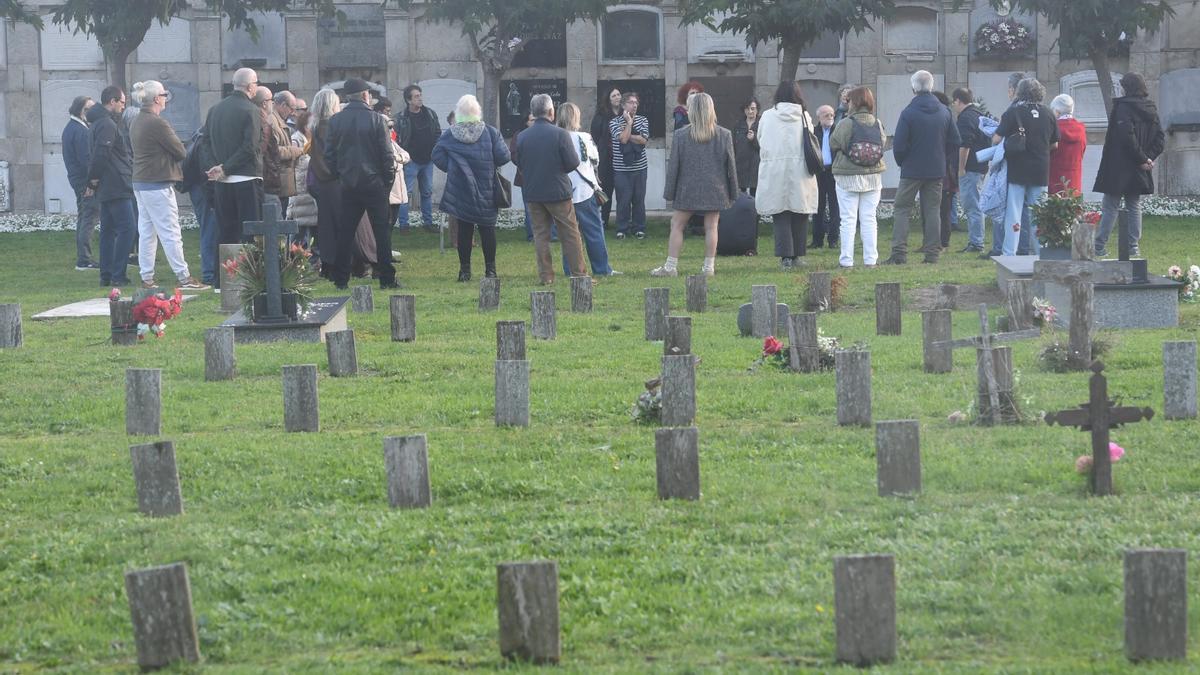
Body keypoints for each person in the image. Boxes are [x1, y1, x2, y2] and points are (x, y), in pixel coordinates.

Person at [128, 80, 208, 290]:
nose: (165, 98)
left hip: (141, 182)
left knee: (147, 233)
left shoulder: (137, 120)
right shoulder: (157, 122)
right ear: (156, 99)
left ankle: (147, 279)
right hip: (157, 183)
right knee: (170, 231)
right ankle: (184, 277)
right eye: (164, 95)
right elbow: (180, 152)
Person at [652, 93, 737, 277]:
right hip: (716, 188)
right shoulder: (724, 134)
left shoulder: (681, 135)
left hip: (687, 188)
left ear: (692, 111)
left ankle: (670, 266)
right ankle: (708, 268)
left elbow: (674, 166)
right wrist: (733, 192)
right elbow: (731, 166)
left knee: (677, 224)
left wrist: (669, 193)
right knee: (711, 227)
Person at [327, 78, 398, 290]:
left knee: (346, 231)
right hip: (374, 181)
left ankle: (341, 278)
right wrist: (387, 181)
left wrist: (340, 176)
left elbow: (329, 156)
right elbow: (387, 155)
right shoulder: (377, 120)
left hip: (349, 183)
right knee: (382, 232)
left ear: (347, 97)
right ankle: (386, 277)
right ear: (366, 95)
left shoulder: (336, 121)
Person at [431, 95, 510, 281]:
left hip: (460, 187)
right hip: (486, 187)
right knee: (487, 230)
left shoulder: (450, 134)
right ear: (477, 112)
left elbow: (436, 155)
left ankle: (464, 271)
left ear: (458, 113)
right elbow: (504, 157)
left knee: (465, 230)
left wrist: (452, 167)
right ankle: (490, 271)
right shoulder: (490, 132)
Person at [886, 70, 960, 265]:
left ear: (913, 88)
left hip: (911, 169)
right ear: (932, 86)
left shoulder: (908, 112)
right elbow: (955, 141)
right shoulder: (944, 112)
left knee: (902, 208)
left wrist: (904, 162)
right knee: (933, 210)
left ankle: (899, 253)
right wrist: (942, 158)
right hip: (936, 169)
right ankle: (932, 254)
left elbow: (899, 145)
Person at [515, 93, 589, 284]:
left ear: (533, 112)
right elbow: (573, 162)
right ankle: (579, 275)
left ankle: (546, 276)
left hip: (533, 193)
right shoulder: (560, 134)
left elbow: (517, 160)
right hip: (558, 192)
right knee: (570, 233)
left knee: (540, 235)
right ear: (551, 111)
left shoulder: (522, 136)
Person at [1093, 72, 1164, 258]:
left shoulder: (1123, 107)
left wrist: (1142, 159)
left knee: (1110, 206)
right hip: (1139, 167)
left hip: (1119, 165)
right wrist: (1147, 159)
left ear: (1127, 88)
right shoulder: (1151, 108)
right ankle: (1133, 246)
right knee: (1134, 205)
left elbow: (1127, 137)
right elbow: (1160, 138)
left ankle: (1099, 246)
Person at [993, 77, 1058, 257]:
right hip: (1041, 168)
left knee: (1013, 212)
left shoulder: (1013, 112)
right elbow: (1055, 145)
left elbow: (996, 139)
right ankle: (1041, 253)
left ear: (1019, 92)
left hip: (1017, 168)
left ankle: (1009, 253)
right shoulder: (1048, 113)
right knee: (1039, 214)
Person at [757, 80, 819, 269]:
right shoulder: (804, 116)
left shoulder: (767, 116)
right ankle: (798, 256)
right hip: (800, 170)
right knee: (800, 212)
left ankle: (785, 257)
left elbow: (761, 139)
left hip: (775, 169)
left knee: (780, 213)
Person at [203, 68, 263, 246]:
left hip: (222, 183)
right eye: (256, 84)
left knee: (225, 236)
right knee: (250, 236)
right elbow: (250, 147)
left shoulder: (214, 109)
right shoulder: (251, 110)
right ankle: (250, 273)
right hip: (246, 179)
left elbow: (205, 143)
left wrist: (216, 167)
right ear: (251, 86)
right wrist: (225, 168)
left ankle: (222, 273)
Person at [829, 86, 886, 268]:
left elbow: (833, 142)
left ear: (853, 102)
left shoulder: (846, 123)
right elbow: (882, 143)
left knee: (848, 219)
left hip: (847, 177)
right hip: (872, 177)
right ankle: (871, 260)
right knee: (869, 219)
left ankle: (846, 261)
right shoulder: (877, 123)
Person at [557, 102, 617, 277]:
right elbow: (595, 160)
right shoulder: (584, 137)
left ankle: (571, 270)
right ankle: (601, 269)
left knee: (569, 235)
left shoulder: (557, 137)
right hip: (585, 190)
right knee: (594, 232)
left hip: (564, 191)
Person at [85, 85, 135, 287]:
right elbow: (101, 154)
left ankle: (106, 274)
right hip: (116, 182)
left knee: (108, 230)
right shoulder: (106, 123)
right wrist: (93, 179)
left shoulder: (98, 122)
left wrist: (94, 180)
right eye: (122, 102)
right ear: (112, 101)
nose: (124, 106)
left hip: (107, 183)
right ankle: (117, 274)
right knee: (127, 229)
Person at [395, 84, 441, 231]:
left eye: (420, 95)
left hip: (428, 160)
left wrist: (435, 149)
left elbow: (437, 133)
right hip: (410, 161)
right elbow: (396, 139)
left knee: (426, 192)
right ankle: (404, 225)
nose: (420, 98)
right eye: (416, 96)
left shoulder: (430, 114)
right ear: (409, 100)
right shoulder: (401, 118)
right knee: (405, 193)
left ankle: (427, 223)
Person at [951, 87, 990, 253]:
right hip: (980, 165)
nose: (954, 106)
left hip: (970, 168)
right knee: (975, 204)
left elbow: (964, 145)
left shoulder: (965, 118)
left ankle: (976, 243)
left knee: (972, 205)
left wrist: (960, 168)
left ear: (959, 101)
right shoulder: (979, 115)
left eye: (954, 102)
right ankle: (976, 241)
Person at [63, 95, 99, 271]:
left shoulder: (73, 127)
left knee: (84, 215)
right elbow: (87, 161)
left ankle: (83, 257)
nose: (91, 112)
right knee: (88, 217)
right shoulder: (79, 130)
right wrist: (93, 182)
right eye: (88, 109)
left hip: (77, 179)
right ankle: (84, 259)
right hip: (84, 181)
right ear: (81, 110)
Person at [610, 92, 649, 239]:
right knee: (623, 200)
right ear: (623, 105)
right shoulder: (614, 122)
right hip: (621, 169)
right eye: (631, 102)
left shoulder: (643, 120)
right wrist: (630, 124)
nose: (634, 105)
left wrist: (628, 134)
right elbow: (623, 140)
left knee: (639, 199)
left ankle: (639, 228)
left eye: (636, 103)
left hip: (640, 168)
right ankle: (622, 229)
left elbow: (643, 140)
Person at [265, 90, 304, 215]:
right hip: (278, 180)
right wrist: (297, 150)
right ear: (283, 105)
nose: (293, 113)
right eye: (292, 108)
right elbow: (275, 151)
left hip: (281, 181)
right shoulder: (272, 121)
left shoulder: (278, 121)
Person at [932, 91, 960, 252]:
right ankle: (942, 239)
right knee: (944, 207)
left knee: (943, 207)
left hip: (945, 168)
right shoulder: (947, 115)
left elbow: (954, 141)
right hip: (946, 166)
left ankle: (943, 240)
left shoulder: (944, 115)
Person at [590, 87, 622, 226]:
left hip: (622, 158)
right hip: (606, 159)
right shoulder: (601, 116)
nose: (617, 97)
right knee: (606, 190)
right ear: (608, 99)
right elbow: (595, 138)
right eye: (614, 95)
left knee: (622, 191)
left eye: (618, 94)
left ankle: (622, 221)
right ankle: (604, 219)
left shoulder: (624, 114)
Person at [288, 109, 318, 253]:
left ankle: (313, 259)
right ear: (307, 127)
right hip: (300, 193)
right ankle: (296, 260)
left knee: (313, 229)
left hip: (309, 194)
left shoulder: (313, 141)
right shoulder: (296, 139)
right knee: (299, 231)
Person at [811, 104, 840, 249]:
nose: (830, 117)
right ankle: (817, 239)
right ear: (819, 117)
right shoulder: (814, 131)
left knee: (835, 206)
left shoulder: (838, 130)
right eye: (826, 115)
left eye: (832, 115)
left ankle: (833, 239)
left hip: (834, 171)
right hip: (819, 172)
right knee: (818, 207)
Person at [1048, 94, 1086, 197]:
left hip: (1055, 176)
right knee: (1073, 209)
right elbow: (1082, 151)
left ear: (1057, 111)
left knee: (1055, 209)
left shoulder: (1053, 128)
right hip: (1075, 176)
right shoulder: (1081, 128)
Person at [732, 97, 759, 195]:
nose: (750, 111)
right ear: (744, 110)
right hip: (741, 167)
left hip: (756, 168)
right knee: (740, 199)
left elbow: (766, 147)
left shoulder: (762, 124)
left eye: (753, 108)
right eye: (747, 108)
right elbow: (733, 146)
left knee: (755, 197)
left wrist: (754, 139)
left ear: (757, 109)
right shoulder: (738, 125)